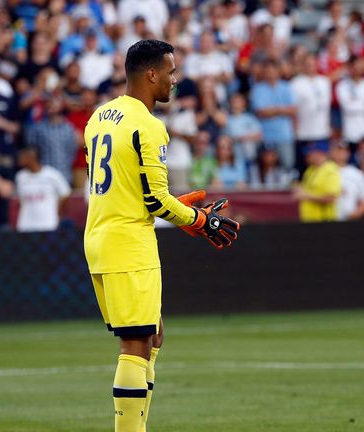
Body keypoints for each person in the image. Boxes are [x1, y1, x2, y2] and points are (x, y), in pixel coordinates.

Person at [83, 39, 240, 432]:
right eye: (170, 72)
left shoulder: (99, 117)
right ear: (151, 74)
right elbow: (154, 200)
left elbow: (122, 185)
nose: (175, 79)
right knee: (136, 344)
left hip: (100, 238)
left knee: (152, 336)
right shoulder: (149, 126)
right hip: (128, 243)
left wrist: (180, 209)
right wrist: (200, 221)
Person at [14, 146, 70, 232]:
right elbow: (20, 200)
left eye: (24, 156)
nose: (20, 158)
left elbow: (66, 193)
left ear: (32, 157)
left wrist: (57, 210)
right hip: (26, 225)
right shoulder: (20, 177)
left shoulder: (52, 174)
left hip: (48, 224)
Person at [331, 140, 364, 221]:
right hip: (326, 221)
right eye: (338, 150)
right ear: (331, 152)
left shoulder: (355, 173)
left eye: (344, 150)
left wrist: (356, 214)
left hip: (348, 222)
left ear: (348, 153)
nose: (340, 153)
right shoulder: (323, 171)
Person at [293, 140, 341, 222]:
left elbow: (331, 198)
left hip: (324, 221)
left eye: (310, 152)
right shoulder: (310, 170)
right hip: (308, 220)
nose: (307, 155)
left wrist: (306, 196)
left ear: (319, 153)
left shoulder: (330, 170)